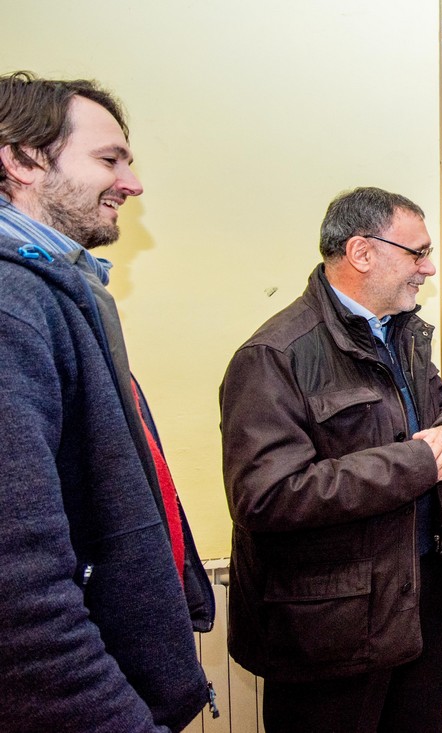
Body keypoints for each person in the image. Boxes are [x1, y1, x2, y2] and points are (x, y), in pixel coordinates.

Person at [0, 72, 214, 731]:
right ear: (23, 160)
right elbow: (19, 590)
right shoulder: (11, 304)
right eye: (109, 159)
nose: (132, 182)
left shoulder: (58, 290)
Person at [220, 187, 442, 733]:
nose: (429, 269)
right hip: (331, 625)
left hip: (416, 595)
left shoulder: (401, 334)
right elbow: (266, 496)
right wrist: (417, 462)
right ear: (361, 252)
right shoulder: (274, 355)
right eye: (417, 253)